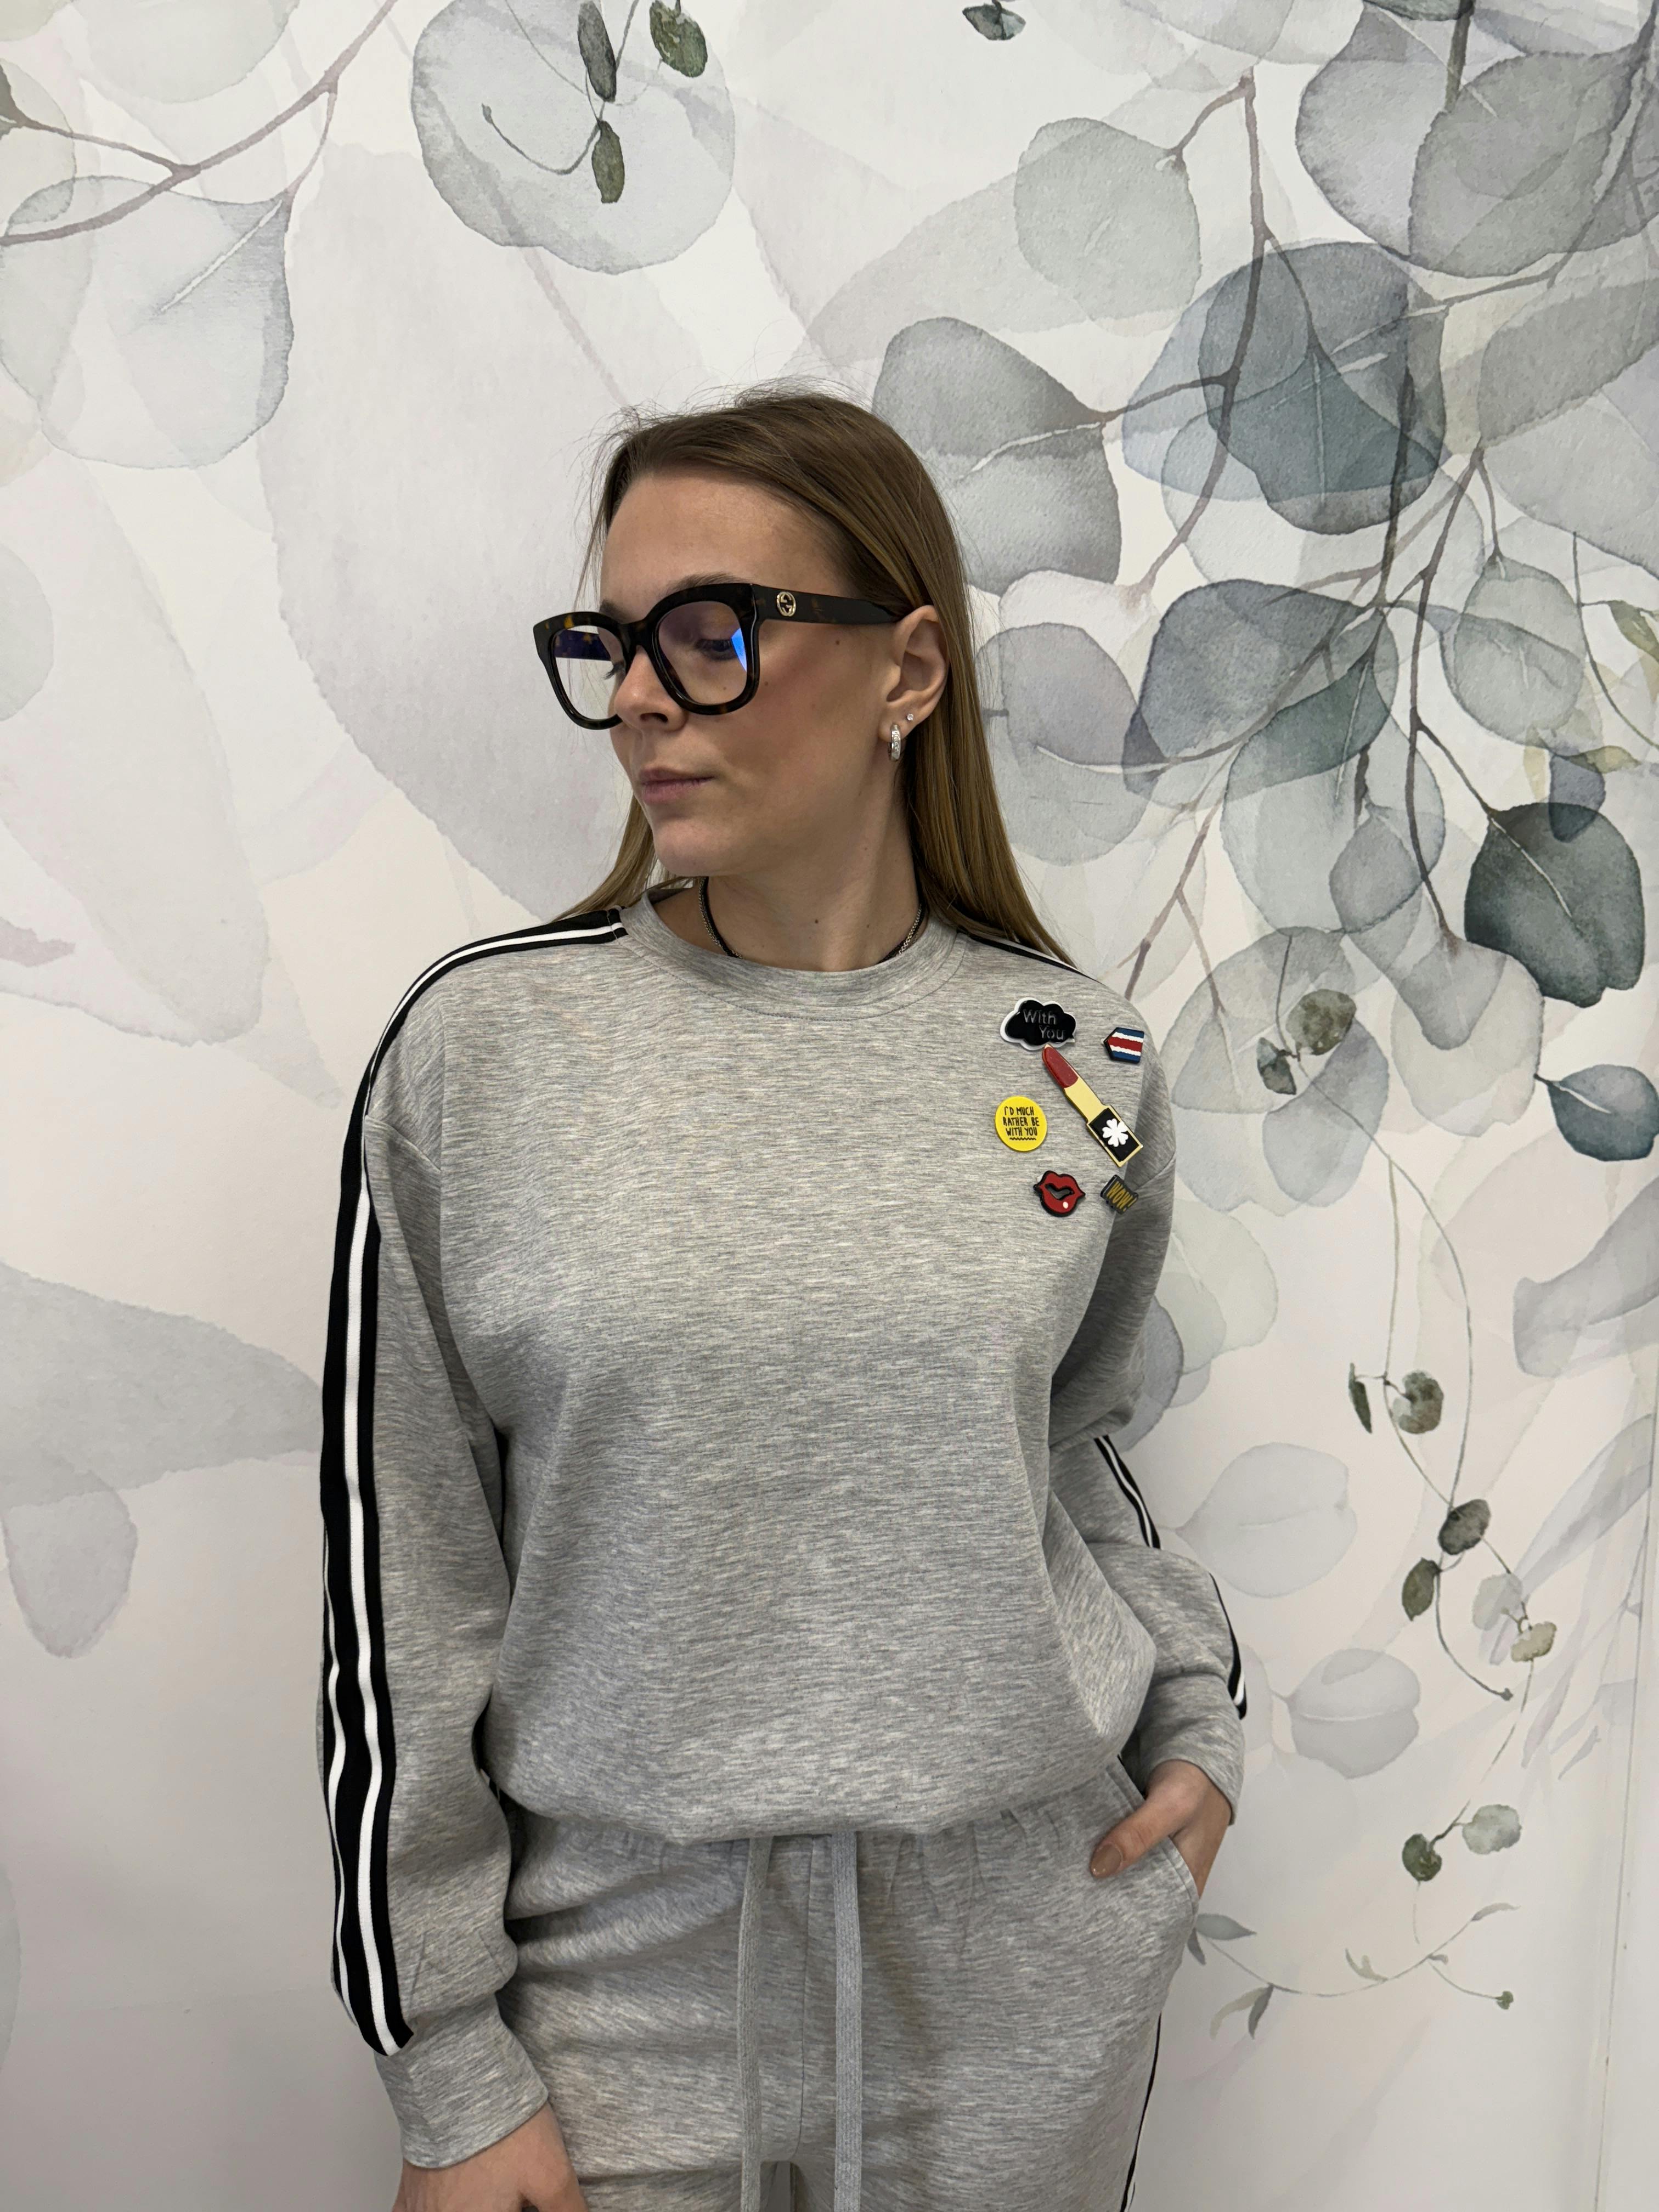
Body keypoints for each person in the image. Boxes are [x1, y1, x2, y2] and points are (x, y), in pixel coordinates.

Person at [317, 386, 1247, 2212]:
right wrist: (451, 2070)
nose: (642, 696)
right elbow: (402, 1583)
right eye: (613, 642)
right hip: (622, 2012)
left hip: (1021, 1988)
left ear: (909, 670)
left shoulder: (1076, 1063)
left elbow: (1074, 1451)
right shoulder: (484, 1056)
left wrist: (1198, 1720)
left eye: (711, 631)